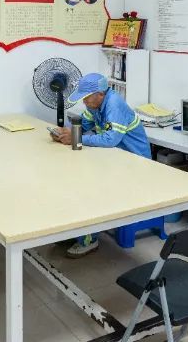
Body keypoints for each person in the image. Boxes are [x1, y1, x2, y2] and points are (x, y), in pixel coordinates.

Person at [52, 73, 151, 258]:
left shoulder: (114, 104)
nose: (84, 102)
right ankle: (75, 230)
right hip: (115, 159)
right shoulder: (95, 105)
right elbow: (84, 124)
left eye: (86, 98)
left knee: (90, 188)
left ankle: (88, 239)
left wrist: (76, 138)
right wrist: (66, 131)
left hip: (135, 163)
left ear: (100, 94)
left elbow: (110, 139)